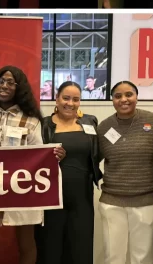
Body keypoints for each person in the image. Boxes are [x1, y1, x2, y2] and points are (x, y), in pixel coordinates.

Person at [0, 66, 64, 264]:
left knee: (26, 243)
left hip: (22, 189)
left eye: (10, 82)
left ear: (19, 88)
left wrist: (53, 156)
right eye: (0, 81)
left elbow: (38, 155)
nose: (4, 86)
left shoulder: (31, 120)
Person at [96, 81, 153, 264]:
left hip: (147, 201)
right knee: (113, 256)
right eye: (118, 96)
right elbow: (93, 159)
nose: (123, 100)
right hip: (112, 202)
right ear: (112, 99)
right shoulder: (104, 127)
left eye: (129, 95)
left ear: (136, 97)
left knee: (142, 257)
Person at [37, 81, 102, 264]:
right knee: (49, 248)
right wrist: (49, 156)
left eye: (76, 99)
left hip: (82, 198)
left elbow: (100, 152)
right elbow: (32, 157)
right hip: (49, 199)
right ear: (56, 99)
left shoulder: (90, 122)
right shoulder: (43, 125)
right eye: (66, 98)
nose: (70, 103)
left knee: (80, 248)